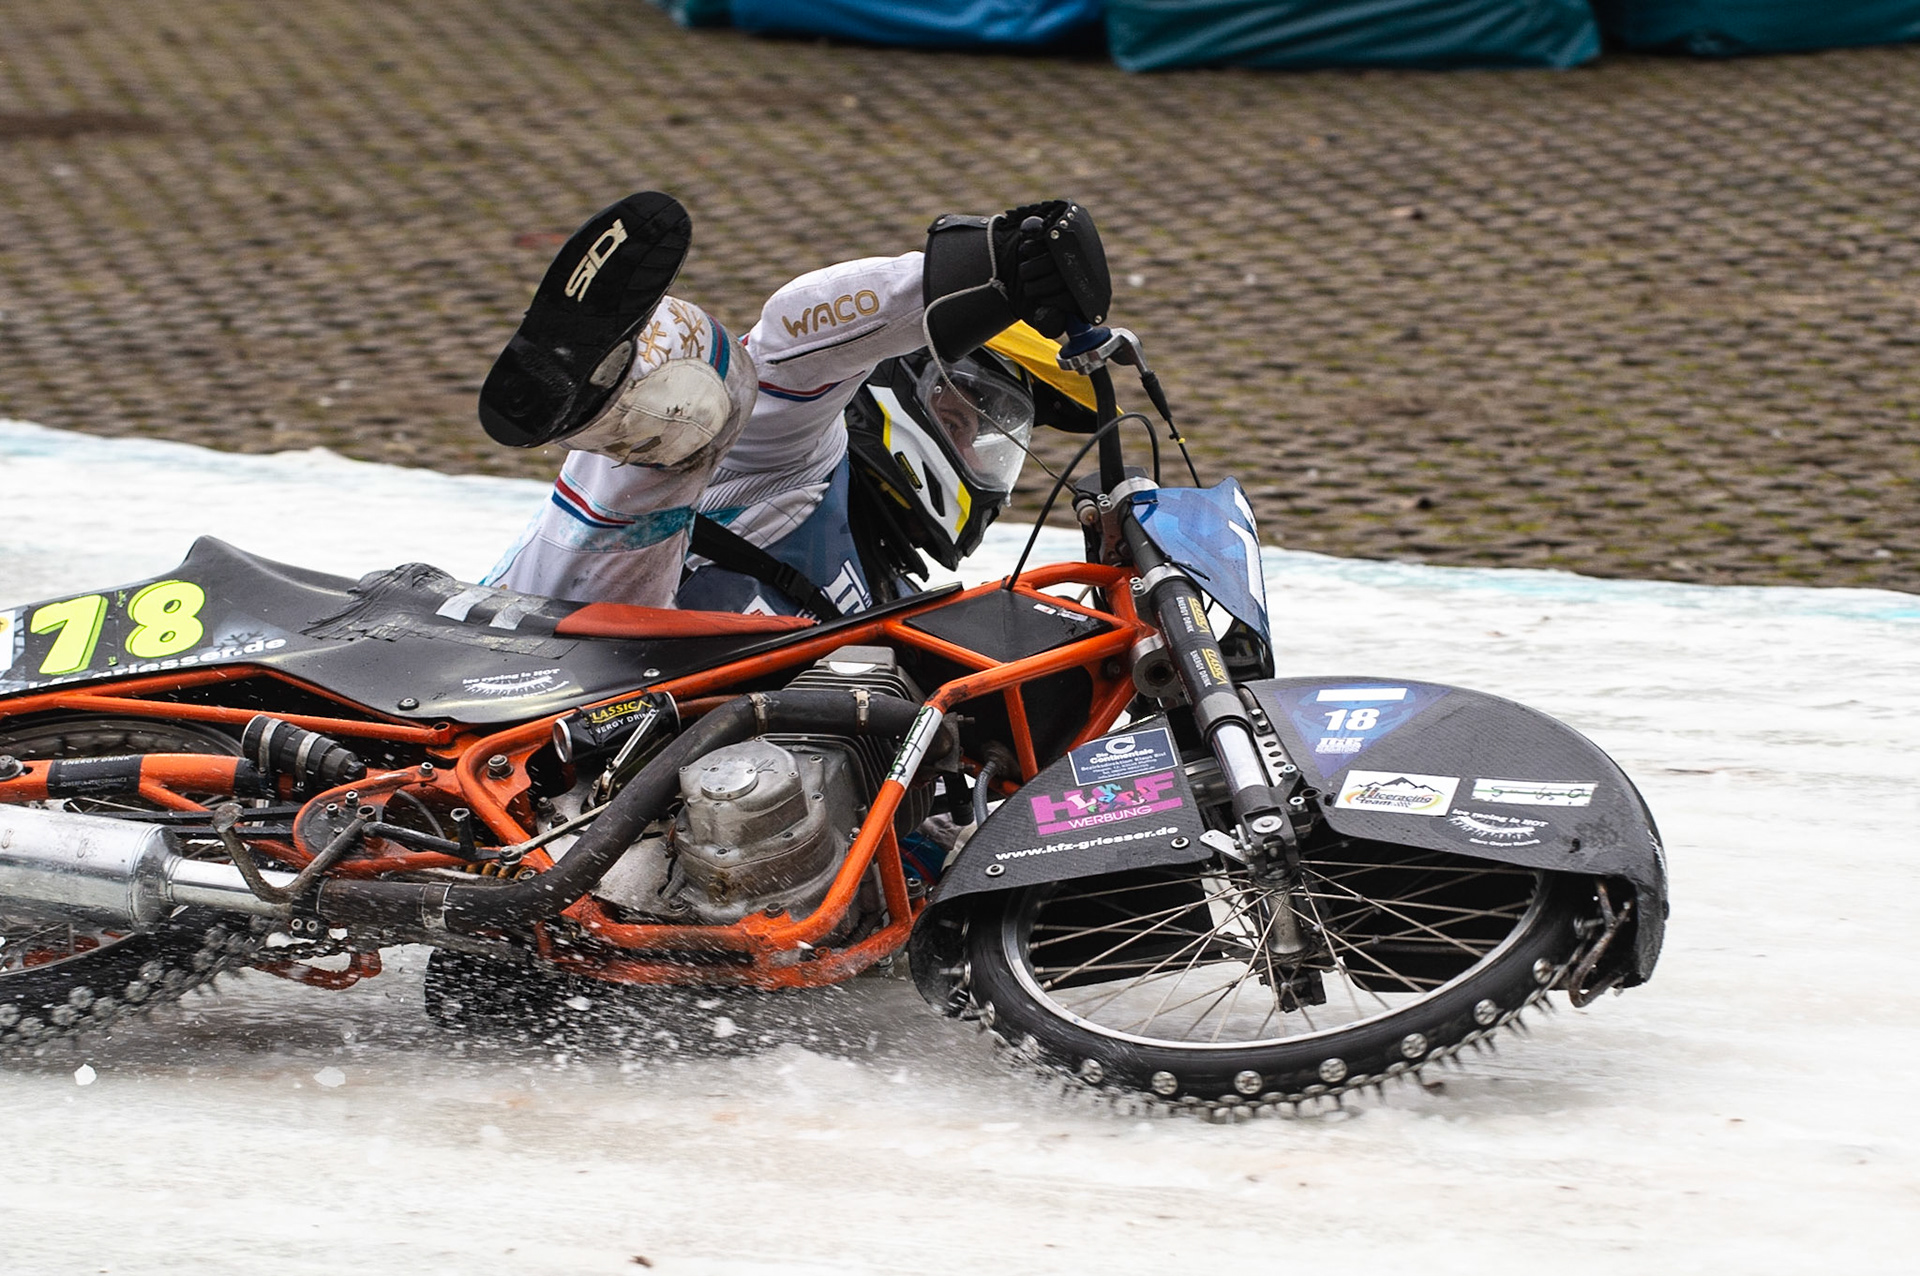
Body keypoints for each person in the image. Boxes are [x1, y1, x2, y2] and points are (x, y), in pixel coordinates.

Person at [477, 192, 1110, 616]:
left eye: (995, 433)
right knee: (714, 388)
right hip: (524, 650)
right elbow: (794, 339)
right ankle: (597, 377)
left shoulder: (903, 605)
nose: (972, 444)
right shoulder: (799, 456)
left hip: (647, 782)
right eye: (959, 409)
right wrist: (984, 273)